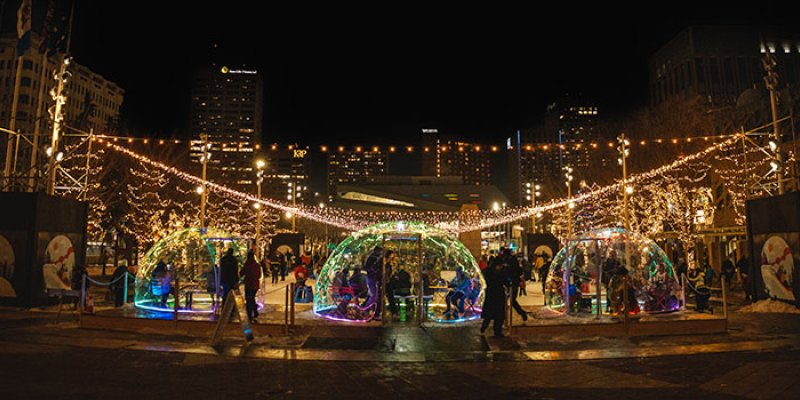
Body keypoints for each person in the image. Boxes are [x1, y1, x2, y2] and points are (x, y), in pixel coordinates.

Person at [481, 256, 509, 337]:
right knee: (496, 315)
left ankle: (489, 328)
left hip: (492, 295)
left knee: (492, 314)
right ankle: (495, 330)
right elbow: (506, 281)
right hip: (496, 295)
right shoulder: (498, 272)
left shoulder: (488, 271)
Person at [504, 249, 528, 321]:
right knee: (512, 301)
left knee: (511, 300)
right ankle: (521, 313)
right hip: (514, 282)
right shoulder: (513, 260)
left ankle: (521, 313)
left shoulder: (509, 261)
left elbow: (511, 271)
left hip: (512, 283)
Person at [241, 249, 261, 323]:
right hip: (255, 284)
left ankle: (250, 313)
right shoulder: (256, 265)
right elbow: (259, 275)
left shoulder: (247, 264)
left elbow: (242, 272)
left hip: (249, 284)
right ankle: (254, 312)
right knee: (252, 298)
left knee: (249, 299)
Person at [363, 246, 384, 317]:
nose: (380, 253)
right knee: (373, 295)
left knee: (373, 295)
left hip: (372, 278)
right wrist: (375, 271)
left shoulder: (373, 258)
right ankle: (366, 309)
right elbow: (369, 268)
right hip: (372, 278)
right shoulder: (373, 258)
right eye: (379, 251)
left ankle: (367, 309)